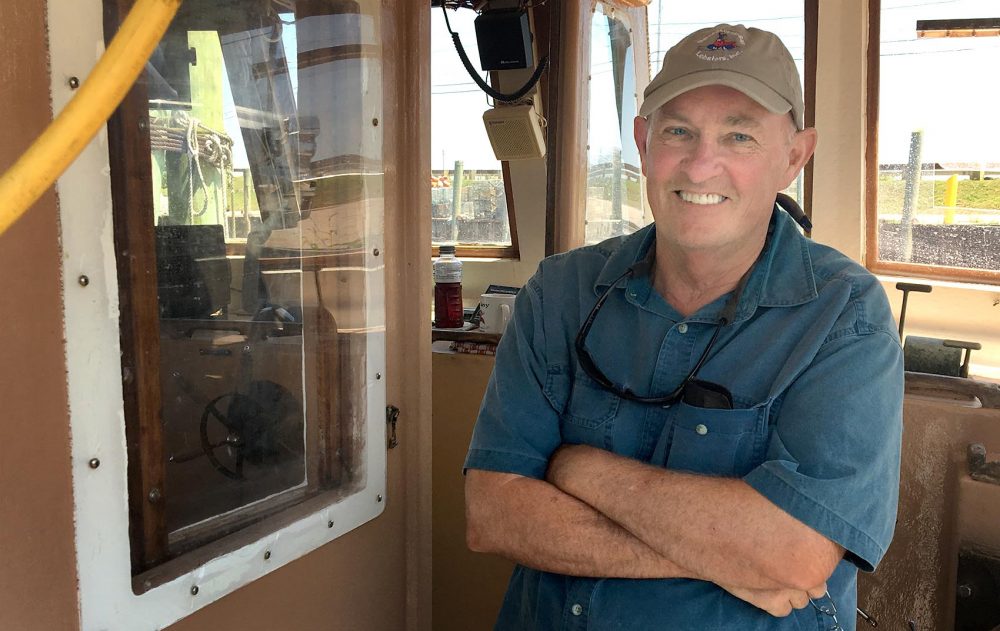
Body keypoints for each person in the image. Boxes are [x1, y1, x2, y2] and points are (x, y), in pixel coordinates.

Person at [463, 23, 903, 631]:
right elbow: (494, 513)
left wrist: (578, 468)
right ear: (644, 143)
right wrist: (727, 555)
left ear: (794, 156)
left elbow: (795, 555)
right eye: (678, 131)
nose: (700, 166)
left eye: (740, 135)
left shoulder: (843, 315)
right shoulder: (558, 294)